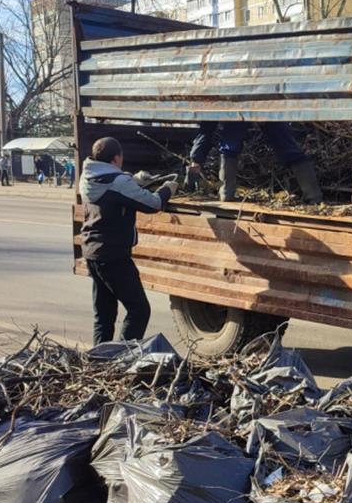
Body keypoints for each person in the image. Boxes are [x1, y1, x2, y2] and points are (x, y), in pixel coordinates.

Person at [79, 136, 178, 345]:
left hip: (92, 253)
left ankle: (99, 360)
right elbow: (153, 203)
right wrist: (168, 188)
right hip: (114, 255)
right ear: (116, 158)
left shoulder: (87, 177)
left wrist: (132, 180)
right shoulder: (119, 183)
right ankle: (120, 358)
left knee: (104, 315)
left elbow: (114, 188)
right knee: (139, 310)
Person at [186, 121, 323, 204]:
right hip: (246, 99)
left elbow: (206, 131)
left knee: (285, 145)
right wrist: (195, 160)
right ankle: (314, 197)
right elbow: (206, 131)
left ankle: (313, 196)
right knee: (231, 144)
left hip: (260, 98)